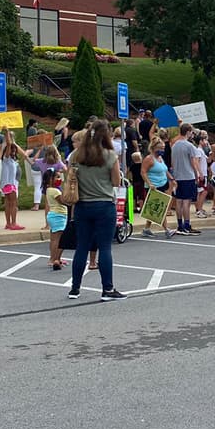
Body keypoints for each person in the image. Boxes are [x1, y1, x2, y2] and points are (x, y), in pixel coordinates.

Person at [67, 120, 125, 301]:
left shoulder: (76, 155)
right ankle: (107, 288)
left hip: (82, 205)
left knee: (82, 247)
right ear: (106, 135)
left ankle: (75, 288)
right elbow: (116, 182)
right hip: (104, 204)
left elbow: (70, 177)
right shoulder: (110, 155)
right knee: (105, 247)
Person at [169, 123, 203, 236]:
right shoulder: (189, 146)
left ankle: (180, 225)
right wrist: (197, 174)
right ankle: (187, 225)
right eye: (191, 132)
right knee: (186, 202)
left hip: (178, 176)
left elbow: (172, 163)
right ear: (188, 132)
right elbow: (193, 162)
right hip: (188, 176)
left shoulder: (174, 146)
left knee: (179, 201)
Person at [140, 139, 175, 239]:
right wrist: (149, 183)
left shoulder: (160, 158)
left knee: (154, 209)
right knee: (161, 208)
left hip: (162, 184)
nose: (162, 150)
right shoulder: (149, 159)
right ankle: (167, 229)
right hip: (154, 186)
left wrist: (171, 179)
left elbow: (165, 170)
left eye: (163, 148)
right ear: (154, 147)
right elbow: (143, 172)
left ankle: (146, 229)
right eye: (160, 148)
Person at [0, 130, 29, 231]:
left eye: (14, 151)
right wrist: (7, 133)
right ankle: (13, 223)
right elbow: (9, 144)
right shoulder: (7, 158)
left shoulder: (10, 160)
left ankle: (8, 223)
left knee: (8, 203)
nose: (14, 152)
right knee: (14, 203)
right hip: (9, 184)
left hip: (7, 184)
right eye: (12, 150)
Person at [43, 168, 67, 270]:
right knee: (59, 240)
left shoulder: (49, 190)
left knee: (54, 239)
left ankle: (53, 258)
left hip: (53, 215)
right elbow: (63, 201)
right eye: (57, 177)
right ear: (50, 179)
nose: (59, 179)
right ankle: (55, 259)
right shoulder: (55, 191)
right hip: (59, 215)